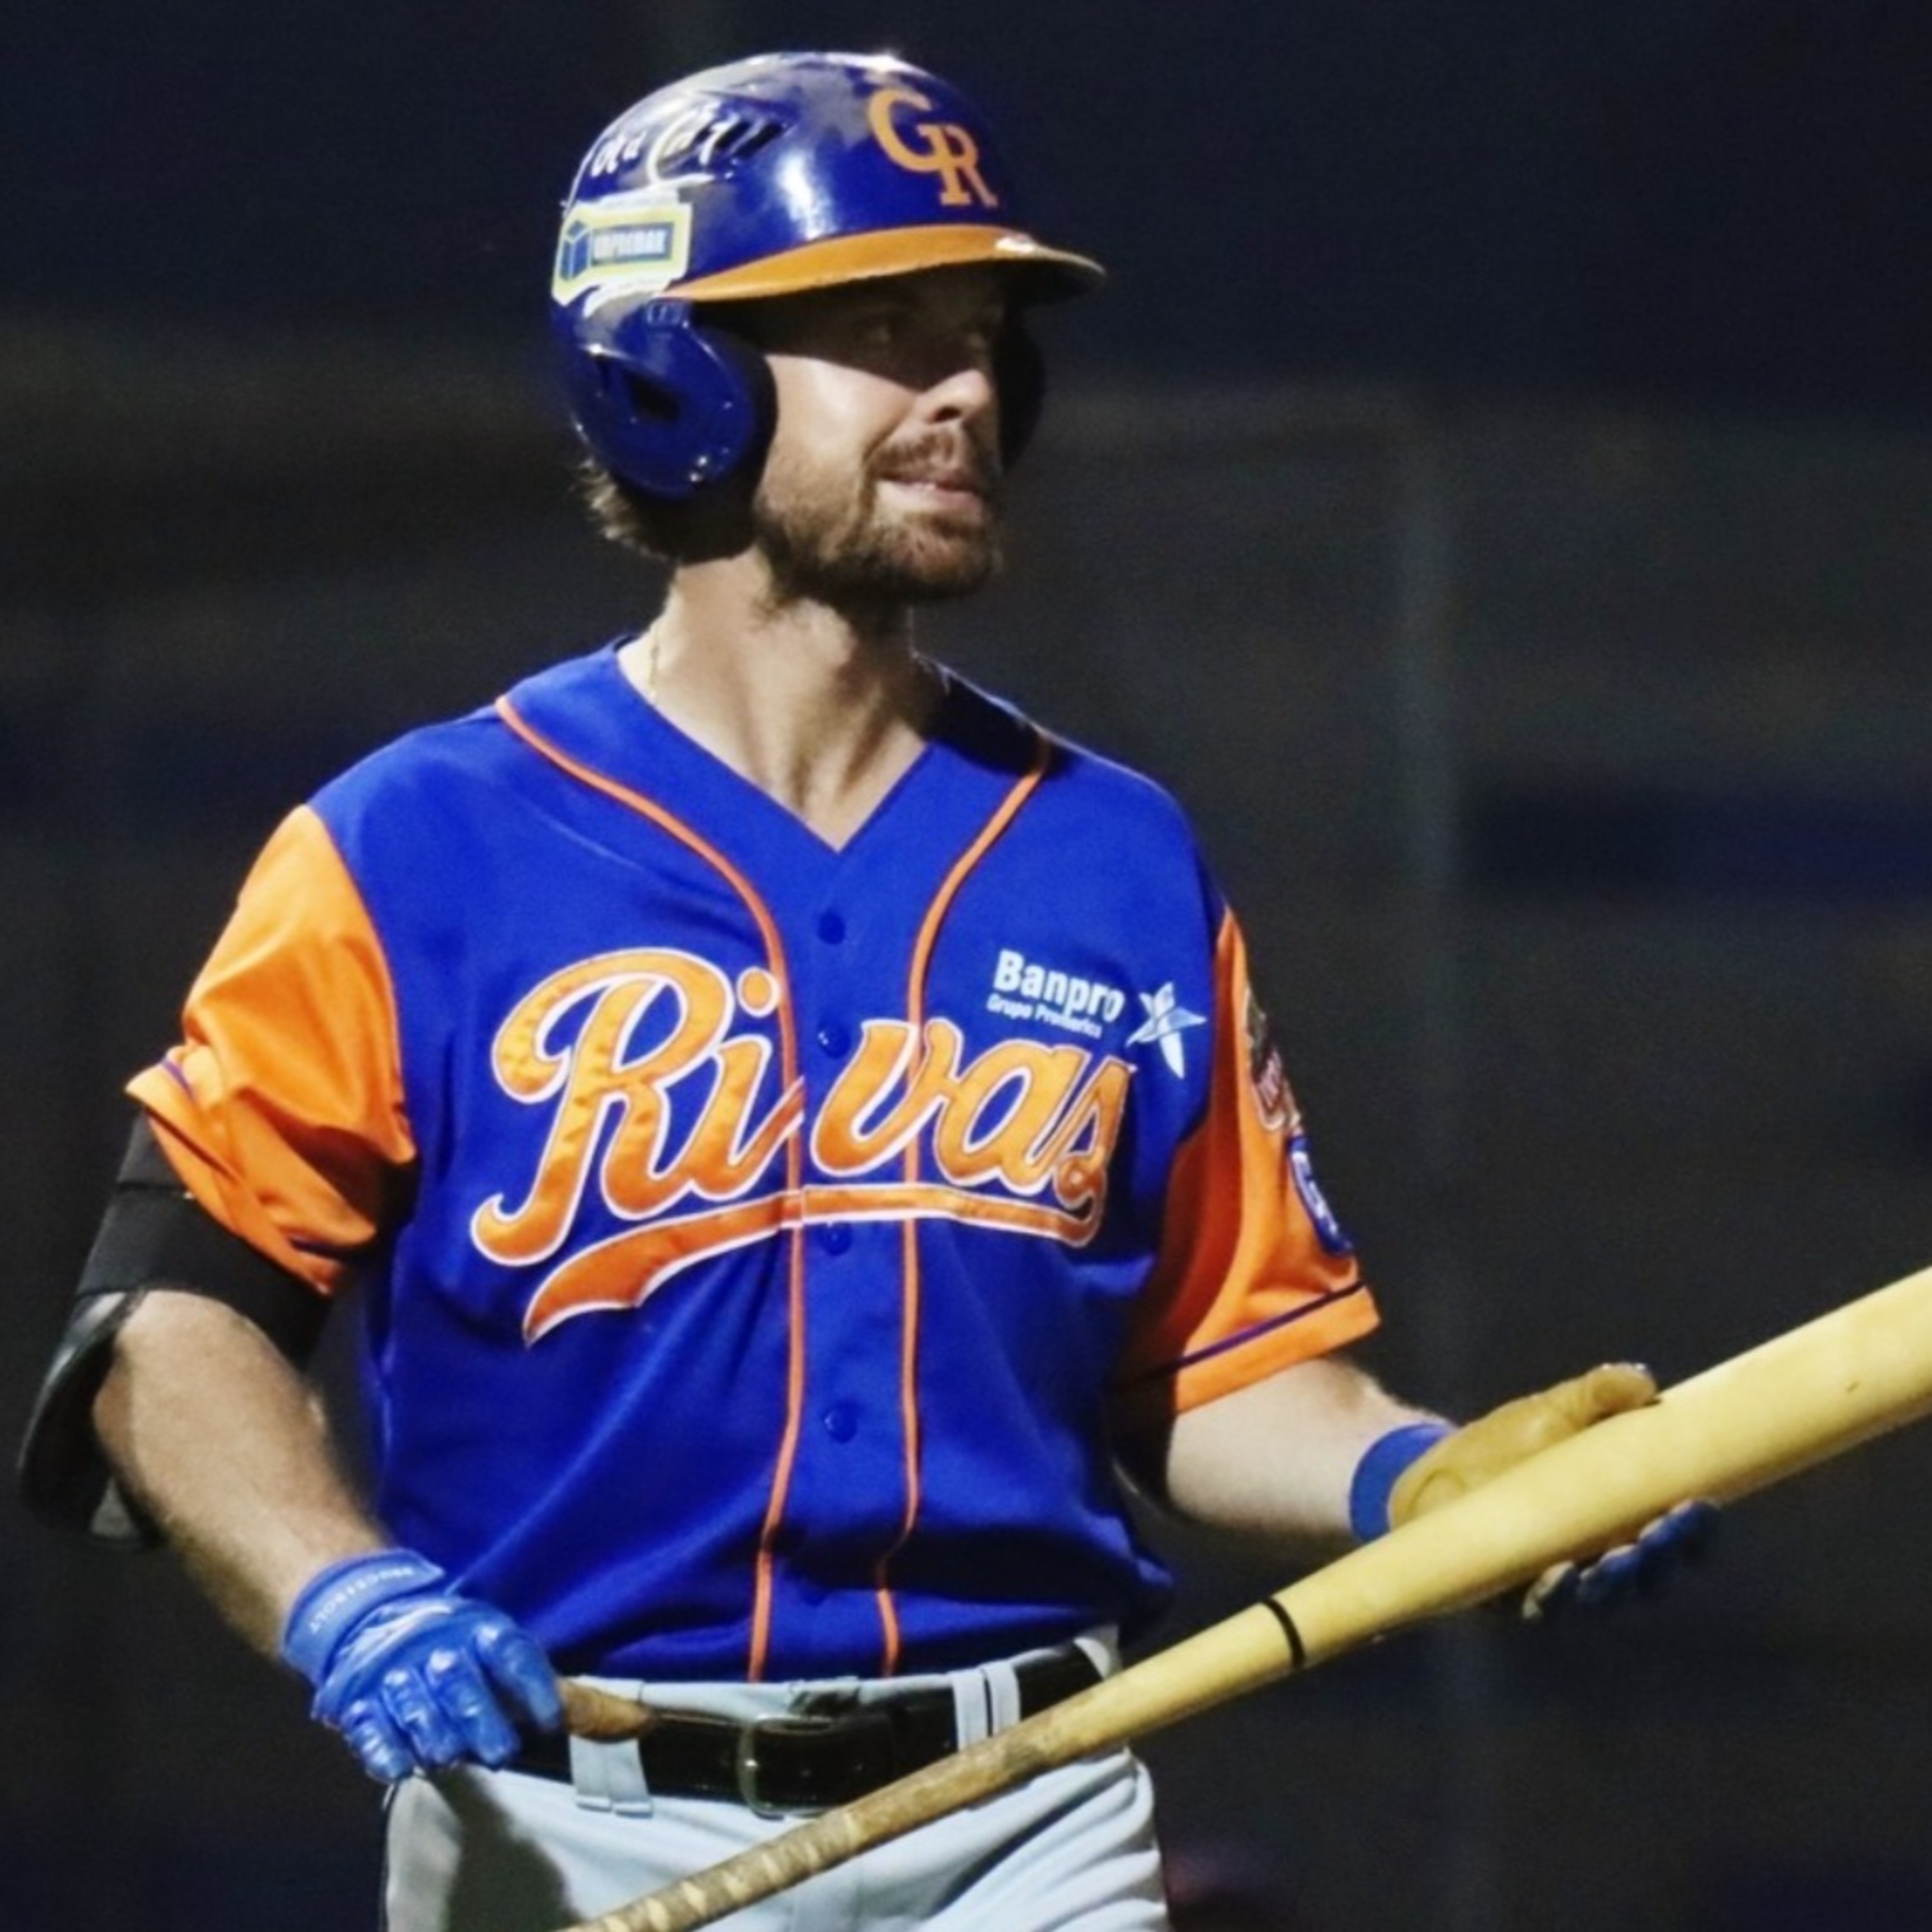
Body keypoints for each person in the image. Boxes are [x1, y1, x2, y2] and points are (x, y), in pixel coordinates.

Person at [19, 50, 1708, 1932]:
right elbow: (165, 1333)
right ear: (664, 369)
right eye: (887, 329)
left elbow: (1215, 1370)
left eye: (984, 335)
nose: (971, 388)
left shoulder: (1115, 855)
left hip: (1031, 1815)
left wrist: (1427, 1479)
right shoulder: (406, 849)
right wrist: (343, 1594)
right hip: (557, 1822)